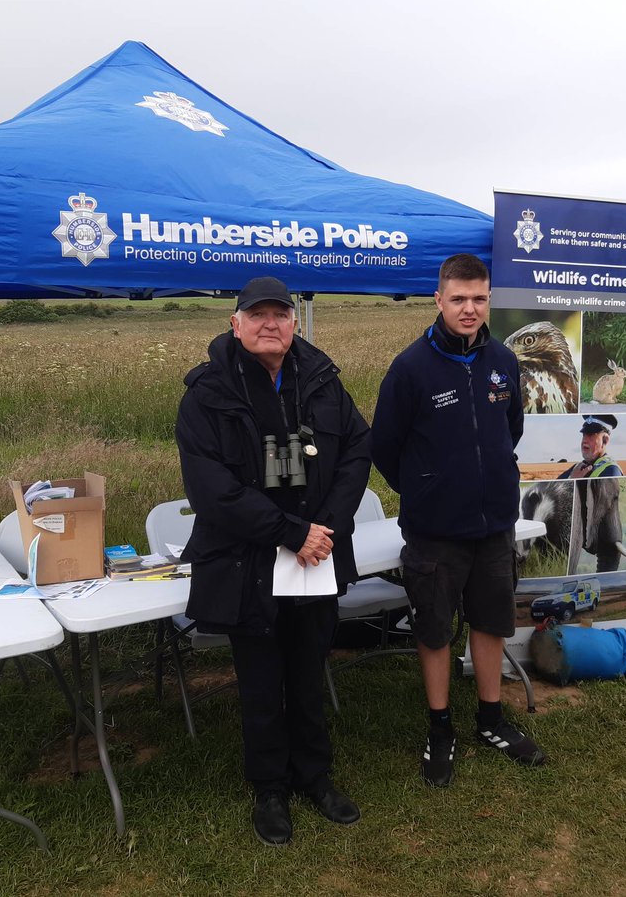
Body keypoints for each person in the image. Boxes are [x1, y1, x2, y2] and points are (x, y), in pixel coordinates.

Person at [175, 276, 372, 844]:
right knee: (261, 680)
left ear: (294, 322)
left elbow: (358, 448)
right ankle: (269, 789)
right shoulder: (206, 394)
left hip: (317, 554)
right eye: (256, 315)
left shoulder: (322, 379)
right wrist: (290, 532)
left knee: (310, 671)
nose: (270, 324)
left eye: (280, 314)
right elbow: (212, 490)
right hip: (249, 560)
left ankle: (316, 777)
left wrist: (325, 527)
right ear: (235, 324)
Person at [371, 253, 546, 788]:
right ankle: (440, 728)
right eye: (458, 299)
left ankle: (491, 720)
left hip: (494, 524)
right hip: (433, 532)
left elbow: (508, 429)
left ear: (488, 298)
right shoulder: (410, 368)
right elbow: (384, 448)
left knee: (491, 622)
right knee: (435, 630)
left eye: (478, 299)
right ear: (438, 300)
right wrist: (428, 489)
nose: (469, 309)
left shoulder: (503, 360)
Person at [557, 415, 622, 479]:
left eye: (591, 435)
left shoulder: (611, 471)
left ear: (605, 440)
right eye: (584, 435)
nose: (584, 440)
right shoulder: (577, 467)